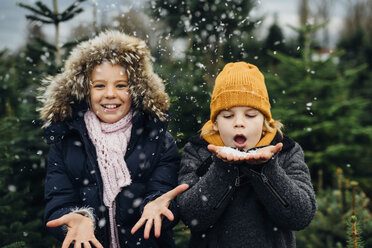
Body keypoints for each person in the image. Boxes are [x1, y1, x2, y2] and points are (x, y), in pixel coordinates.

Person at [38, 30, 188, 248]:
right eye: (99, 85)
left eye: (121, 85)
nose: (110, 94)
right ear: (84, 91)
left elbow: (163, 193)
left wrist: (156, 206)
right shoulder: (67, 142)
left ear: (136, 90)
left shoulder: (158, 140)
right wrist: (75, 219)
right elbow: (58, 202)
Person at [178, 62, 317, 247]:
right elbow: (191, 216)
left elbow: (301, 216)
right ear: (216, 123)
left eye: (250, 115)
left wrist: (265, 169)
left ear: (265, 121)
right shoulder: (197, 151)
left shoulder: (286, 151)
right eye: (228, 116)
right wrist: (222, 168)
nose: (239, 123)